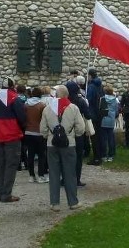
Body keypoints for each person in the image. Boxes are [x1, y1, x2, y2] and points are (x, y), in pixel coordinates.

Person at [40, 84, 85, 212]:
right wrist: (73, 135)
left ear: (56, 95)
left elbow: (42, 129)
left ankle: (55, 203)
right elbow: (80, 128)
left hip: (51, 144)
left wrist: (48, 136)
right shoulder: (73, 108)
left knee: (54, 173)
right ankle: (72, 202)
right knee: (70, 173)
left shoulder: (47, 109)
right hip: (69, 144)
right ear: (67, 95)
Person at [0, 77, 26, 203]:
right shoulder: (15, 98)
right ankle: (6, 194)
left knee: (0, 164)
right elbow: (22, 117)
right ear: (12, 86)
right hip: (12, 135)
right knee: (11, 165)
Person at [66, 80, 91, 187]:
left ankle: (65, 179)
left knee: (65, 156)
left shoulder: (63, 100)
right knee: (77, 156)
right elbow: (88, 115)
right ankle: (76, 179)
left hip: (65, 131)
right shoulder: (80, 101)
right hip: (77, 131)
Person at [24, 86, 49, 183]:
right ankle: (41, 175)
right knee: (41, 155)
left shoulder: (26, 104)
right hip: (39, 132)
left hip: (28, 131)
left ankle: (31, 175)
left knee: (30, 154)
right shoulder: (42, 105)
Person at [85, 69, 104, 165]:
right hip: (100, 113)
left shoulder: (91, 87)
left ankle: (96, 158)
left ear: (90, 76)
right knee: (99, 136)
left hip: (93, 113)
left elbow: (88, 100)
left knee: (94, 136)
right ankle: (100, 155)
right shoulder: (100, 85)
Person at [99, 85, 119, 162]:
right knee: (111, 138)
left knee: (103, 139)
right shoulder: (115, 99)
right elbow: (116, 110)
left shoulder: (102, 99)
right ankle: (111, 155)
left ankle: (104, 155)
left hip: (103, 119)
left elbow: (100, 108)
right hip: (111, 119)